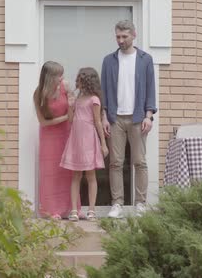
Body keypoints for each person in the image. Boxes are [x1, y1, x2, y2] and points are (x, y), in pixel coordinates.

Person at [101, 20, 157, 218]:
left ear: (134, 35)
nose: (121, 40)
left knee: (139, 162)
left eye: (124, 36)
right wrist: (104, 117)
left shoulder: (145, 59)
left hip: (137, 118)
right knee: (115, 162)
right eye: (118, 36)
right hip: (115, 118)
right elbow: (105, 91)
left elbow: (151, 89)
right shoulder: (109, 60)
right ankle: (117, 204)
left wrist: (149, 116)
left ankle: (140, 203)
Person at [60, 67, 109, 222]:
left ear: (87, 81)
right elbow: (69, 119)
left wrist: (103, 144)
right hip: (76, 139)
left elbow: (98, 122)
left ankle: (92, 210)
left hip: (88, 139)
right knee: (75, 175)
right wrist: (70, 105)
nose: (77, 82)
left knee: (90, 175)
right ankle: (74, 210)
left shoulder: (94, 99)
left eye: (79, 79)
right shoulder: (77, 99)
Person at [34, 61, 80, 220]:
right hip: (49, 136)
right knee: (50, 172)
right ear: (49, 77)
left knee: (68, 170)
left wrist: (71, 105)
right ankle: (51, 210)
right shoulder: (38, 93)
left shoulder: (65, 87)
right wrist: (65, 118)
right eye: (59, 75)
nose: (62, 78)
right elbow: (43, 122)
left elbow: (72, 114)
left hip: (66, 133)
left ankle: (71, 209)